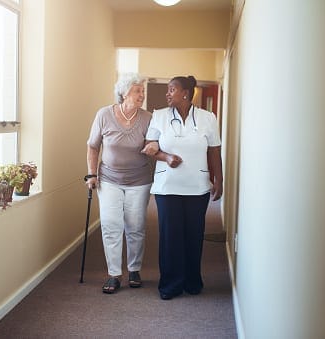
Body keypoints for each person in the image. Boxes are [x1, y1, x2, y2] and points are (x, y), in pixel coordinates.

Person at [142, 75, 223, 300]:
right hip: (167, 187)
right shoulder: (159, 116)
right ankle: (170, 285)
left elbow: (214, 150)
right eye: (168, 90)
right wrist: (166, 156)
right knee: (170, 237)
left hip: (197, 187)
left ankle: (192, 281)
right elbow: (148, 147)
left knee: (193, 235)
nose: (168, 94)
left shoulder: (208, 118)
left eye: (172, 90)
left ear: (185, 93)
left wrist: (219, 180)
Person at [85, 73, 153, 294]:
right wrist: (91, 174)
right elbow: (93, 146)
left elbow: (154, 143)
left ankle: (134, 269)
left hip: (139, 180)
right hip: (109, 180)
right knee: (110, 225)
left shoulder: (148, 118)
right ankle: (114, 273)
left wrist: (153, 146)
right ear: (124, 93)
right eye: (137, 91)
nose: (141, 95)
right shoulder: (104, 115)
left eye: (142, 91)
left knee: (135, 226)